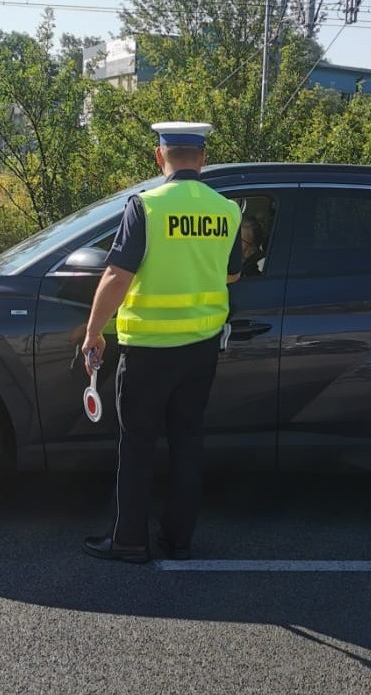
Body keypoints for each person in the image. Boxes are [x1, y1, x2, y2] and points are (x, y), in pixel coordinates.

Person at [80, 121, 242, 564]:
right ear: (203, 158)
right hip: (202, 346)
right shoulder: (227, 210)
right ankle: (179, 540)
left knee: (137, 445)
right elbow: (232, 273)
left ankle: (129, 541)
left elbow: (116, 274)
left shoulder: (146, 207)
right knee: (188, 443)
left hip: (149, 349)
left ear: (159, 157)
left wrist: (94, 332)